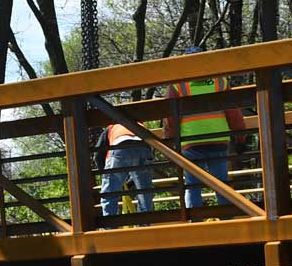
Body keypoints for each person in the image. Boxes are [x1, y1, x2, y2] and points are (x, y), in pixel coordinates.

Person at [163, 46, 247, 209]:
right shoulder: (220, 81)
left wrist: (170, 144)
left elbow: (169, 118)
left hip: (191, 142)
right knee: (222, 184)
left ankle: (195, 224)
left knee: (192, 186)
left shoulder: (178, 85)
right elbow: (234, 113)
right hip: (218, 139)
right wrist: (240, 138)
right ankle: (228, 220)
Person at [99, 121, 153, 217]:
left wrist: (104, 174)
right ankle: (145, 224)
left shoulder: (111, 128)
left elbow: (98, 154)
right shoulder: (141, 125)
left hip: (120, 147)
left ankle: (109, 226)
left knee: (109, 193)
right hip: (143, 147)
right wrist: (132, 180)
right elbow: (151, 151)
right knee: (145, 192)